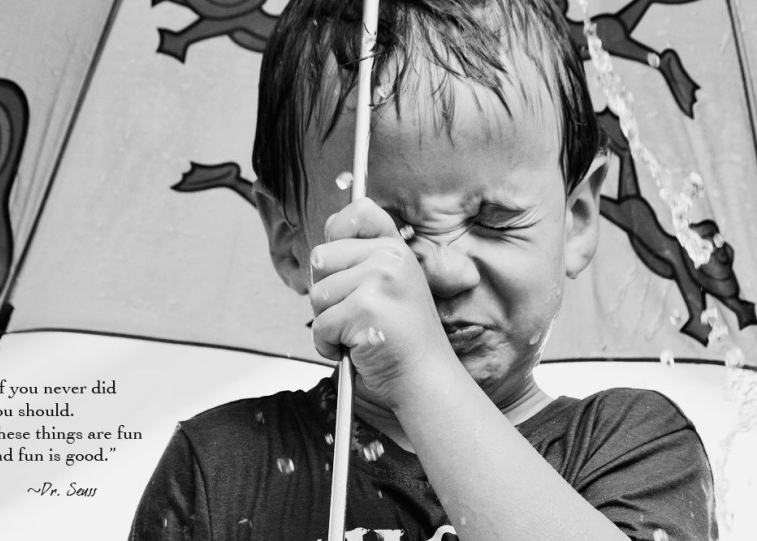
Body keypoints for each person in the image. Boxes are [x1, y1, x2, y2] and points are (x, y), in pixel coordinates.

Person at [130, 1, 718, 539]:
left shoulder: (633, 445)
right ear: (290, 239)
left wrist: (418, 372)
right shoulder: (220, 468)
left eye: (493, 219)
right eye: (391, 231)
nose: (443, 272)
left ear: (579, 218)